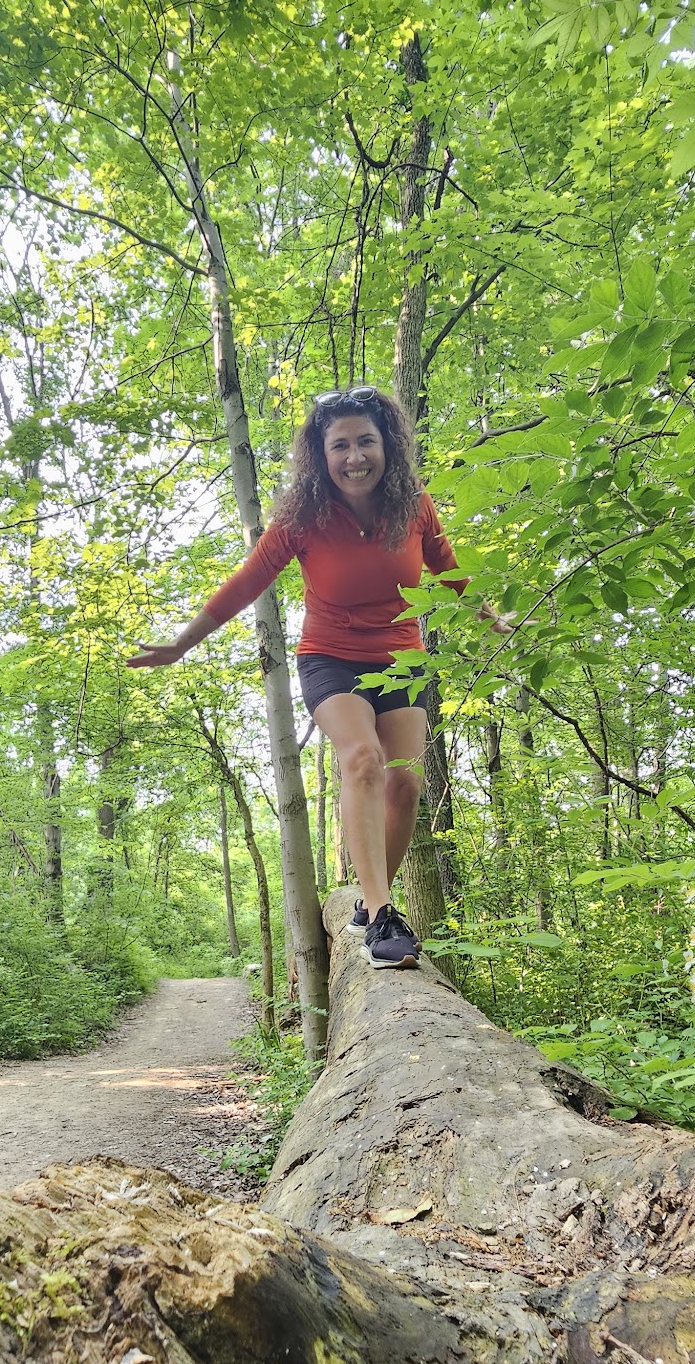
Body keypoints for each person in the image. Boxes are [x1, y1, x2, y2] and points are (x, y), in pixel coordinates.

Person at [128, 384, 503, 969]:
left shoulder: (413, 504)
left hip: (402, 658)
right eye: (340, 445)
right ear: (321, 455)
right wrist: (181, 643)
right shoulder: (304, 516)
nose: (355, 457)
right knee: (362, 761)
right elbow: (249, 581)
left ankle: (369, 901)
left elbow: (446, 563)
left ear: (389, 446)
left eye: (366, 442)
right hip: (330, 657)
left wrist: (490, 614)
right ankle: (381, 917)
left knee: (405, 783)